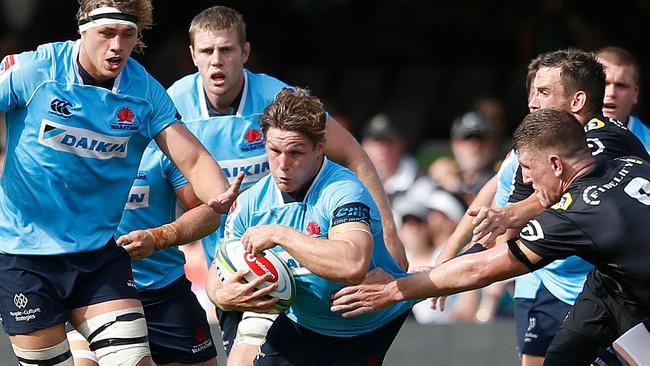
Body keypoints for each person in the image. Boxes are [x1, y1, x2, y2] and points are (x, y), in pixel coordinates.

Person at [166, 5, 408, 364]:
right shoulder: (172, 106)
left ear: (245, 53)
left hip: (303, 261)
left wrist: (389, 236)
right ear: (192, 56)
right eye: (207, 51)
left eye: (227, 50)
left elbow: (353, 154)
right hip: (237, 261)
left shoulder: (279, 100)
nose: (217, 61)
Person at [0, 1, 232, 365]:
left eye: (127, 35)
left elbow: (195, 158)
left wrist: (220, 196)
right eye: (106, 34)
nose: (116, 46)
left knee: (132, 360)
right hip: (23, 253)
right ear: (83, 31)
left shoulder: (143, 90)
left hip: (96, 252)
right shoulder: (34, 70)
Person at [331, 108, 650, 365]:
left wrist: (393, 290)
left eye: (527, 167)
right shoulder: (626, 159)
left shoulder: (575, 215)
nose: (524, 178)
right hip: (616, 285)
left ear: (555, 164)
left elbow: (481, 268)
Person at [437, 49, 650, 366]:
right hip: (556, 280)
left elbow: (565, 190)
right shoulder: (531, 149)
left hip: (624, 284)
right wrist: (447, 263)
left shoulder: (606, 138)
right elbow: (500, 218)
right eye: (532, 91)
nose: (532, 102)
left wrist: (508, 215)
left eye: (544, 92)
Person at [208, 87, 413, 365]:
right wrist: (222, 295)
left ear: (319, 149)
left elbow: (351, 266)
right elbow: (217, 270)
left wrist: (281, 234)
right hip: (302, 320)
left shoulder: (344, 191)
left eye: (295, 152)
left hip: (362, 328)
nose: (282, 165)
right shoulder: (250, 204)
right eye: (274, 150)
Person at [67, 147, 244, 365]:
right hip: (94, 291)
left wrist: (158, 237)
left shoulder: (160, 150)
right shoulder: (72, 146)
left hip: (163, 291)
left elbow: (210, 214)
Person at [360, 113, 423, 204]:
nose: (383, 148)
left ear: (401, 143)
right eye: (377, 141)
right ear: (364, 145)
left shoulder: (423, 181)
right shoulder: (354, 179)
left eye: (389, 141)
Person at [597, 46, 650, 152]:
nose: (611, 93)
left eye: (620, 85)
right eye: (604, 83)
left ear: (635, 94)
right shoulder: (565, 137)